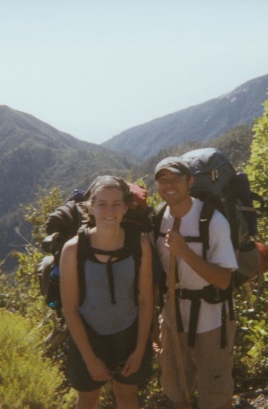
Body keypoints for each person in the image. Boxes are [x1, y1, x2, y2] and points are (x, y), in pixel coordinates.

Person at [60, 175, 153, 409]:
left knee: (127, 396)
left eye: (116, 204)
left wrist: (140, 350)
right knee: (89, 399)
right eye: (102, 204)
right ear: (90, 208)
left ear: (125, 208)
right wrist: (90, 359)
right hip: (88, 337)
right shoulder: (73, 250)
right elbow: (70, 309)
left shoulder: (139, 245)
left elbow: (145, 301)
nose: (109, 211)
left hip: (129, 336)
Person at [153, 157, 239, 409]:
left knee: (216, 393)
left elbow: (224, 280)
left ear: (190, 182)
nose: (169, 185)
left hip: (212, 317)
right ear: (156, 185)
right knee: (176, 388)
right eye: (163, 180)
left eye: (176, 179)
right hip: (173, 316)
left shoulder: (212, 220)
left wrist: (185, 252)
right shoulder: (158, 218)